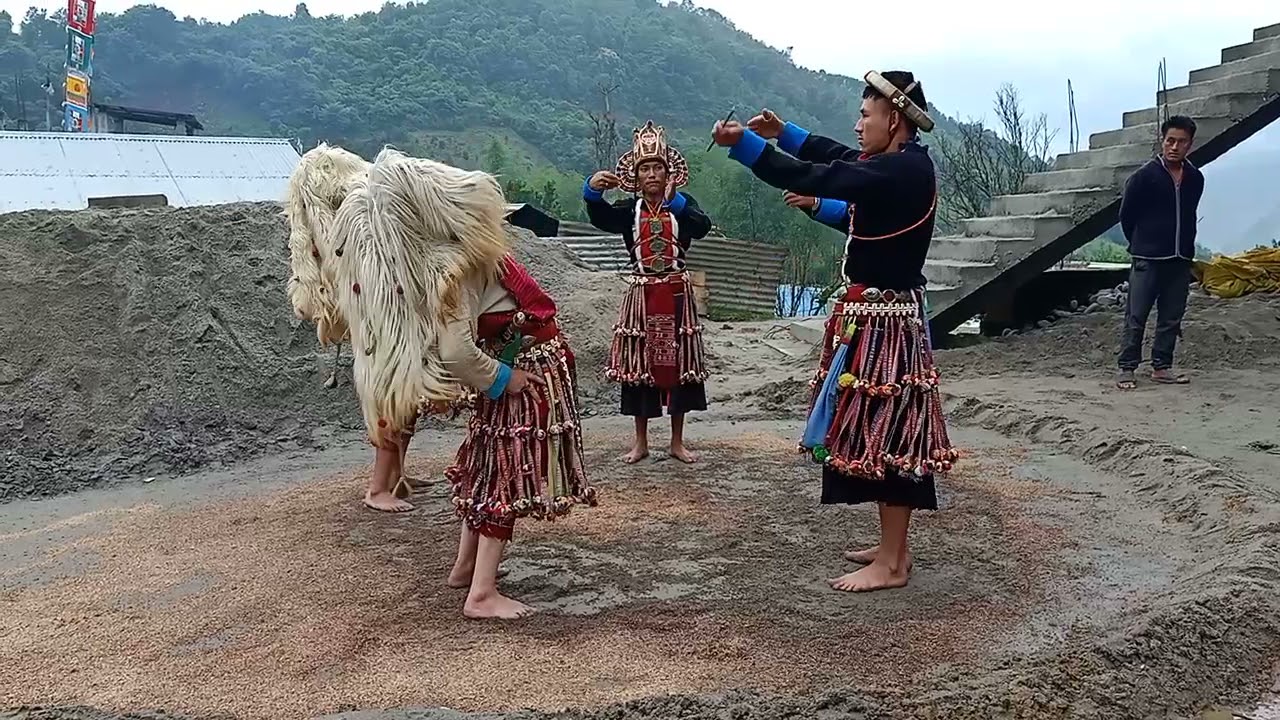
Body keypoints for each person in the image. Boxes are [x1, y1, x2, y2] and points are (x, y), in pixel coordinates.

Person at [289, 146, 597, 619]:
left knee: (488, 469)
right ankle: (482, 594)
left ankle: (464, 569)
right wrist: (504, 379)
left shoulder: (461, 259)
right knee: (505, 478)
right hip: (520, 375)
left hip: (516, 370)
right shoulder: (456, 267)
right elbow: (455, 350)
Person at [710, 71, 958, 593]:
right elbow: (839, 157)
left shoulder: (900, 173)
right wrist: (785, 132)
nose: (858, 123)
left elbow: (823, 173)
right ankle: (895, 548)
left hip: (887, 324)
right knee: (877, 427)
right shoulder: (898, 166)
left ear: (894, 119)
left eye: (866, 115)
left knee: (889, 432)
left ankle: (891, 562)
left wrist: (749, 146)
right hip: (876, 319)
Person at [583, 121, 713, 464]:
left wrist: (679, 202)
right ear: (636, 177)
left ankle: (676, 441)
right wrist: (592, 191)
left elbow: (703, 227)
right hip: (641, 296)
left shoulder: (684, 206)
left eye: (658, 168)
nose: (652, 174)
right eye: (645, 169)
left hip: (676, 293)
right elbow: (601, 218)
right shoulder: (629, 210)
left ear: (670, 174)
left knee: (681, 365)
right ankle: (640, 442)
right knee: (640, 366)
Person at [1116, 115, 1204, 390]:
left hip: (1180, 259)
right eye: (1170, 141)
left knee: (1171, 316)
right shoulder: (1144, 177)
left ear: (1190, 144)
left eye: (1181, 142)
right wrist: (1142, 244)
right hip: (1148, 259)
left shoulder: (1195, 178)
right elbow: (1126, 216)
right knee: (1136, 314)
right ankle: (1127, 368)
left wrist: (1185, 248)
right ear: (1162, 141)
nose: (1175, 147)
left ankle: (1162, 367)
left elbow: (1189, 215)